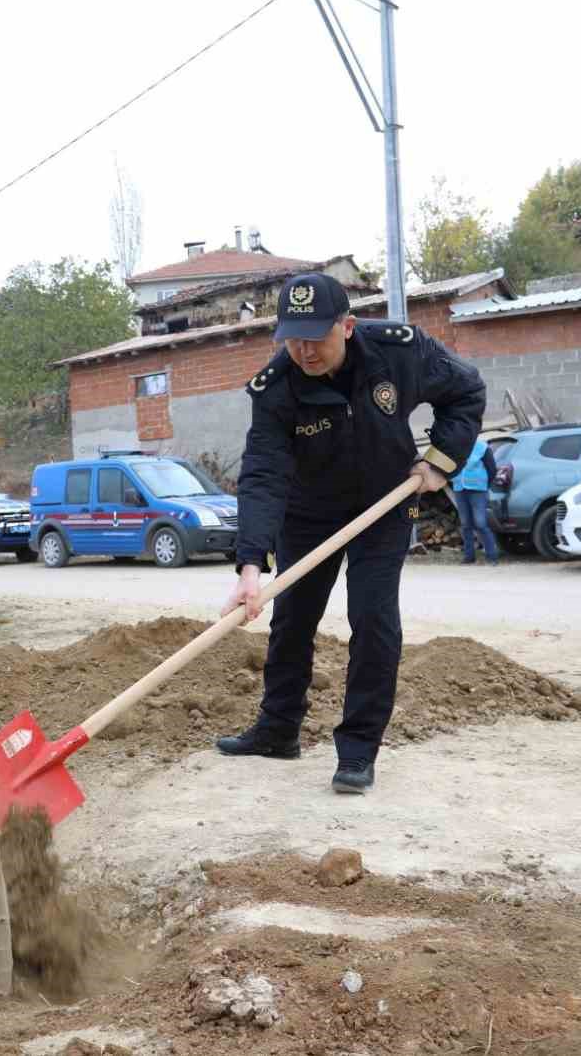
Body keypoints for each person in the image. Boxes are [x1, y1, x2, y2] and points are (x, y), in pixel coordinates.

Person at [216, 273, 486, 794]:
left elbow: (466, 392)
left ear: (349, 325)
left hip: (382, 509)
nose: (304, 350)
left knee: (373, 619)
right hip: (308, 514)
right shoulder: (276, 388)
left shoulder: (401, 353)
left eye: (316, 337)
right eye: (292, 338)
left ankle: (358, 751)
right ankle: (278, 731)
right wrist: (251, 565)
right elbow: (263, 474)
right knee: (291, 621)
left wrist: (441, 462)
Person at [450, 436, 499, 565]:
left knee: (480, 523)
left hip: (478, 490)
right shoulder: (453, 446)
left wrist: (484, 485)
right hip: (459, 488)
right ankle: (469, 557)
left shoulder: (482, 447)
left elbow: (492, 469)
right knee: (466, 524)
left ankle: (492, 556)